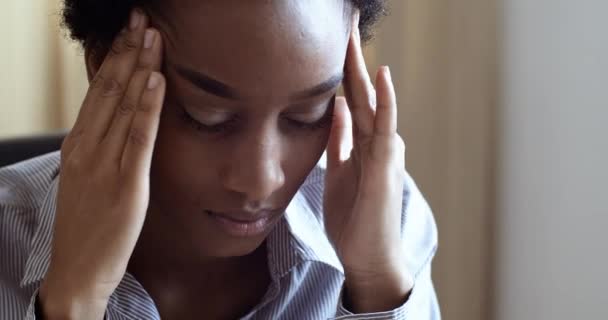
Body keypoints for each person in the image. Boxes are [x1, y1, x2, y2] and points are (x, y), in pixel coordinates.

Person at [0, 1, 440, 319]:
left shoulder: (387, 223)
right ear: (104, 70)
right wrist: (73, 303)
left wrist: (377, 287)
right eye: (207, 118)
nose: (261, 181)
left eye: (307, 115)